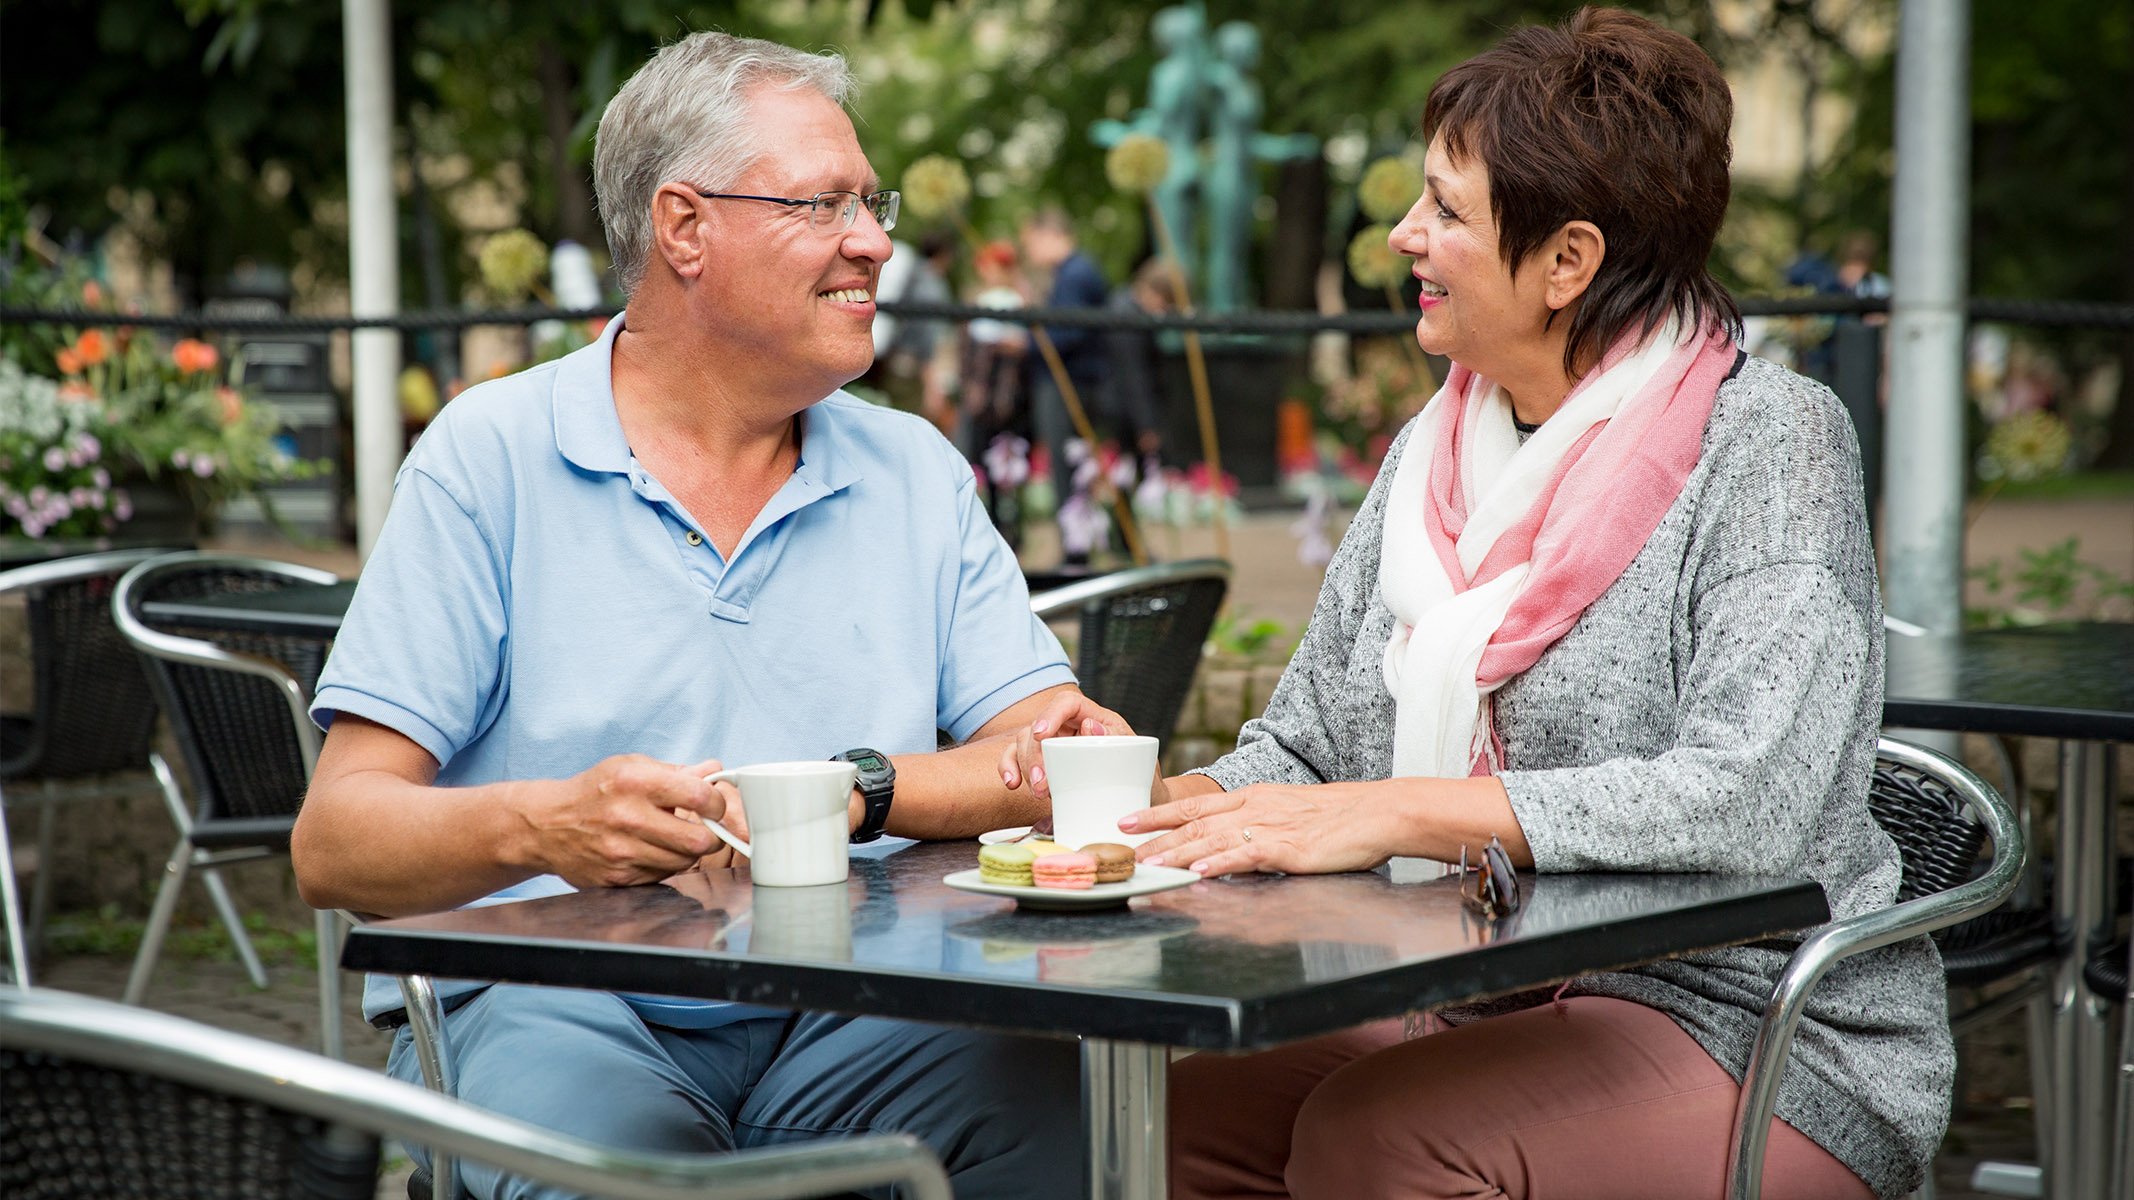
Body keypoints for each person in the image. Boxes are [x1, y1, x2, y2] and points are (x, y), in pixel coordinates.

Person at [1010, 9, 1941, 1198]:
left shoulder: (1769, 441)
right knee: (1159, 1120)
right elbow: (1302, 750)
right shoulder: (1432, 449)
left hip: (1751, 1018)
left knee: (1384, 1144)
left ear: (1567, 262)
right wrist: (1133, 811)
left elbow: (1748, 797)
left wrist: (1411, 812)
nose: (1403, 234)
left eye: (1445, 211)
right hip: (1461, 988)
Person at [290, 32, 1122, 1200]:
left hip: (863, 1009)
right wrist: (543, 828)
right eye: (823, 201)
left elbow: (1058, 759)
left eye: (870, 201)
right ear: (683, 227)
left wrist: (860, 790)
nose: (875, 238)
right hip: (563, 1004)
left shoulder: (912, 470)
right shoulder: (491, 457)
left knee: (1062, 1109)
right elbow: (334, 845)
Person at [1018, 207, 1111, 562]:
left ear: (1049, 235)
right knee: (1069, 467)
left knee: (1066, 467)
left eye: (1031, 243)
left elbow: (1065, 333)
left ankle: (1076, 552)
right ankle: (1076, 547)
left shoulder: (1074, 274)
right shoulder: (1073, 272)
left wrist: (1023, 341)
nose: (1030, 253)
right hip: (1068, 382)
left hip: (1068, 384)